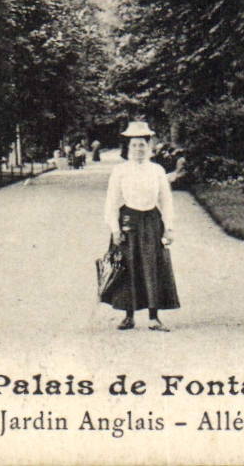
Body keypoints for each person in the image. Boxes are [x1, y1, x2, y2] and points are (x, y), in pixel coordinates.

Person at [102, 120, 181, 331]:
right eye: (134, 145)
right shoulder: (120, 171)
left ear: (149, 147)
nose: (139, 149)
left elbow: (166, 200)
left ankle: (154, 317)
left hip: (151, 221)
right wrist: (115, 229)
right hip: (129, 220)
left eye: (142, 145)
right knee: (129, 267)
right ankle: (129, 316)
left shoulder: (156, 170)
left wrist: (169, 226)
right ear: (128, 147)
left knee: (152, 265)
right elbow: (111, 201)